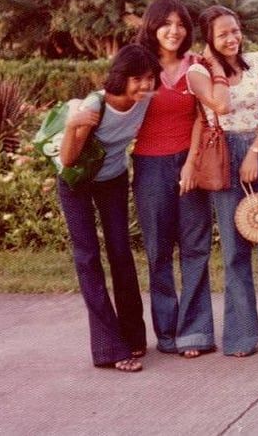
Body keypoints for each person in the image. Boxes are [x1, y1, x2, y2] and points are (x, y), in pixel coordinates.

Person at [133, 0, 230, 358]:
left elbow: (201, 117)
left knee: (195, 248)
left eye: (180, 25)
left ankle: (196, 332)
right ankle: (168, 333)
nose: (174, 31)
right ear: (153, 26)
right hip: (149, 166)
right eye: (166, 24)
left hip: (191, 162)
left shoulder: (196, 65)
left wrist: (190, 163)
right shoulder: (139, 64)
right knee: (158, 251)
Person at [197, 5, 258, 357]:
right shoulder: (200, 70)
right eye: (222, 33)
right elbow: (215, 110)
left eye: (235, 30)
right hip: (222, 156)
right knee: (235, 249)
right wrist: (214, 67)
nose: (232, 38)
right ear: (209, 38)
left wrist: (254, 152)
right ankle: (241, 335)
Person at [58, 44, 161, 372]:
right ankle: (109, 349)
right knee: (88, 257)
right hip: (76, 180)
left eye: (149, 78)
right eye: (136, 79)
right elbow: (68, 159)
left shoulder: (143, 102)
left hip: (112, 179)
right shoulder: (95, 106)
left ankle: (132, 337)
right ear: (120, 77)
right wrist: (73, 125)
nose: (144, 86)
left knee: (120, 253)